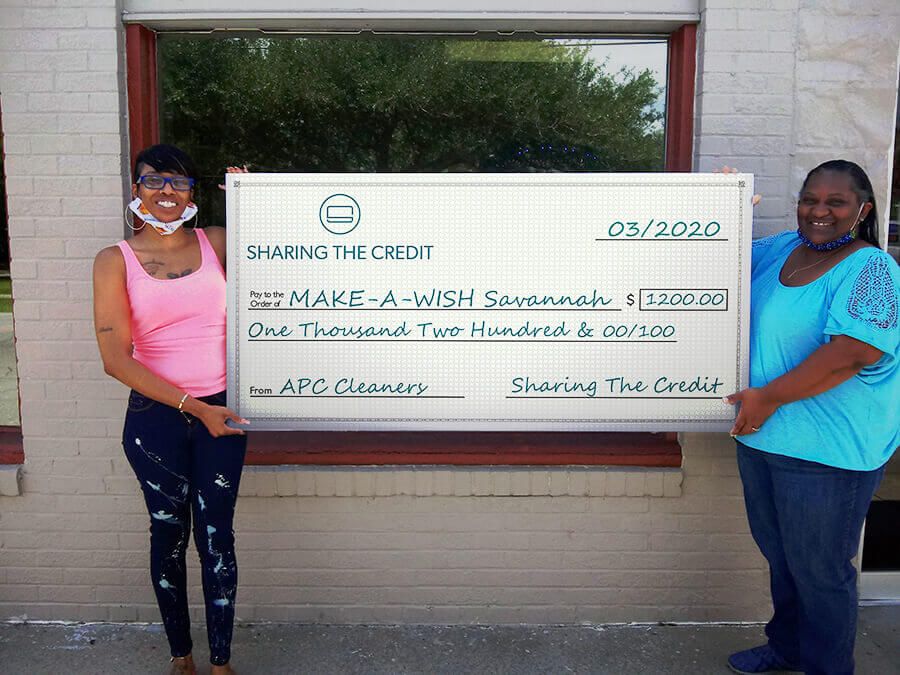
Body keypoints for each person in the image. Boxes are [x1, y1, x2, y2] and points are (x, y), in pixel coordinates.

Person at [724, 160, 899, 675]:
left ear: (862, 209)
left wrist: (769, 397)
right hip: (763, 438)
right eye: (809, 199)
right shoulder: (779, 250)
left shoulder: (873, 270)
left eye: (835, 202)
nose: (819, 211)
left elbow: (852, 353)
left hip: (828, 454)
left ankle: (827, 667)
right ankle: (788, 649)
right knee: (782, 557)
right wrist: (721, 210)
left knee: (819, 570)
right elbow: (713, 259)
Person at [93, 144, 248, 675]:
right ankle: (181, 656)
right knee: (168, 535)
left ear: (192, 194)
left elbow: (294, 247)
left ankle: (221, 663)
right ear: (136, 188)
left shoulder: (219, 243)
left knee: (216, 537)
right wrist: (192, 407)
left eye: (178, 183)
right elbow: (116, 358)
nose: (166, 191)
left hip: (221, 413)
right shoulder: (115, 260)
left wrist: (249, 199)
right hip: (156, 418)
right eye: (154, 180)